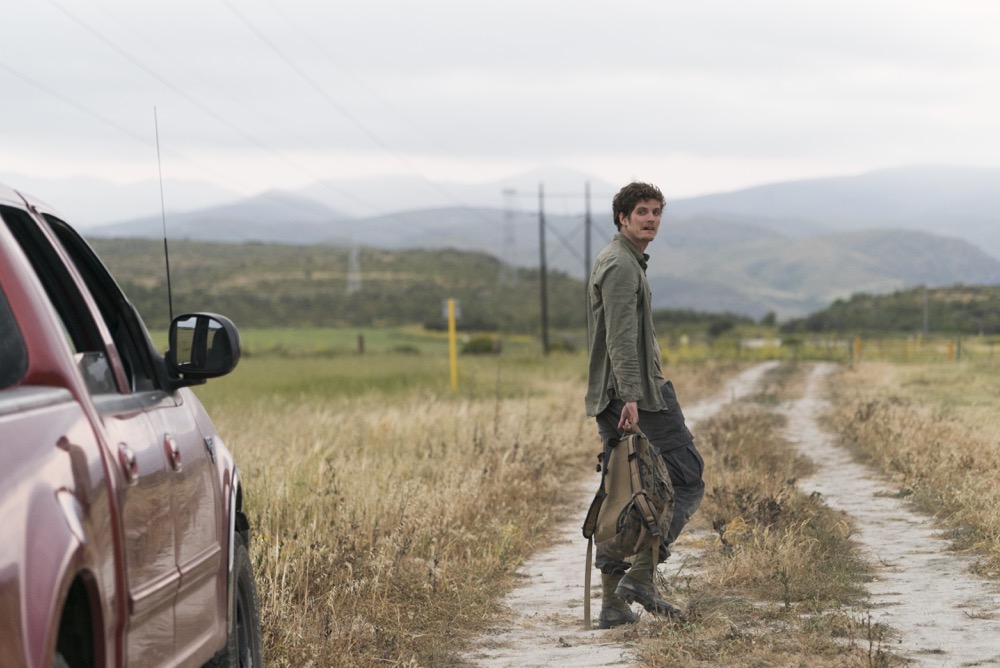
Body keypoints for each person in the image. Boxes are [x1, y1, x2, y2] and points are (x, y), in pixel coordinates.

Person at [585, 181, 705, 629]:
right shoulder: (619, 265)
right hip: (638, 398)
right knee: (688, 480)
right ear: (622, 218)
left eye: (657, 211)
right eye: (642, 212)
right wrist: (632, 397)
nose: (651, 219)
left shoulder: (627, 261)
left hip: (623, 395)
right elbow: (618, 336)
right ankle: (640, 577)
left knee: (621, 497)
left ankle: (613, 606)